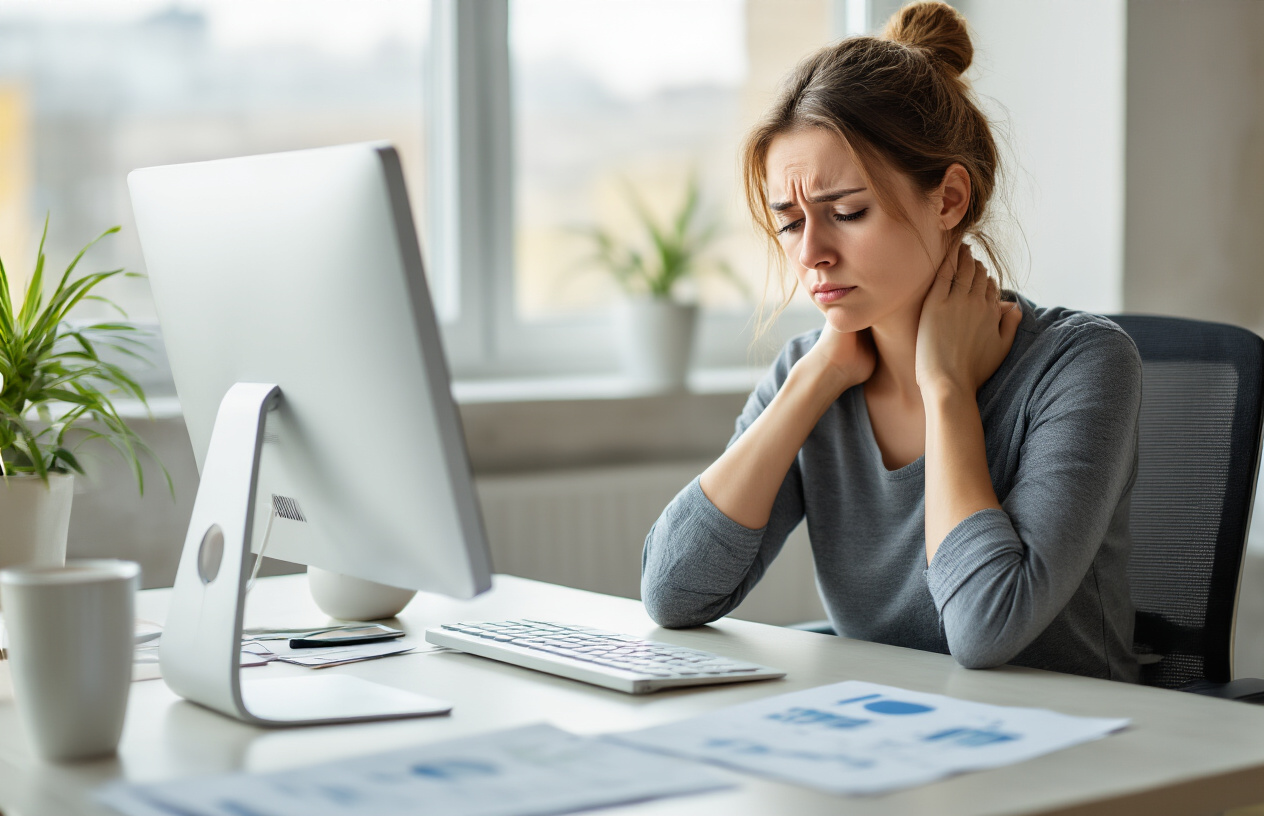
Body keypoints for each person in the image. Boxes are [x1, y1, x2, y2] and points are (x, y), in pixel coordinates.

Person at [641, 1, 1141, 682]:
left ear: (949, 200)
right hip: (880, 740)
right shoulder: (813, 370)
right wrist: (816, 379)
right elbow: (672, 593)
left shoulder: (1082, 363)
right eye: (789, 223)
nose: (812, 252)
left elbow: (985, 628)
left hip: (1074, 751)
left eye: (847, 212)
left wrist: (947, 388)